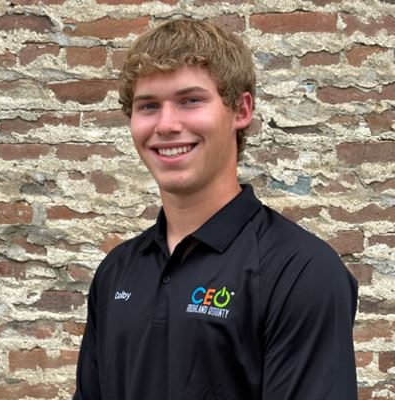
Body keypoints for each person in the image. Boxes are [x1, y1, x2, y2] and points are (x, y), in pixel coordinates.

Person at [73, 18, 358, 400]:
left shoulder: (301, 270)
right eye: (149, 106)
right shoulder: (116, 272)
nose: (166, 124)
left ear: (241, 110)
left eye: (190, 100)